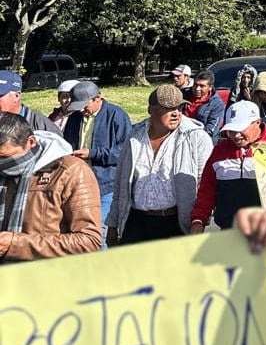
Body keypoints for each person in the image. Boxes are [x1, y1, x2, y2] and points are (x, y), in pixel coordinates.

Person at [107, 84, 213, 245]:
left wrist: (197, 224)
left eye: (179, 107)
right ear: (152, 110)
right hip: (136, 222)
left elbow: (205, 186)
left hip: (175, 223)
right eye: (168, 108)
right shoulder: (135, 137)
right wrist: (113, 224)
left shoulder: (196, 137)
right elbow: (121, 185)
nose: (176, 113)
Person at [0, 111, 102, 260]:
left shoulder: (70, 171)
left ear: (31, 142)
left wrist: (14, 244)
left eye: (4, 157)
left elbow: (90, 241)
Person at [190, 101, 266, 234]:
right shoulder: (219, 152)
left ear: (257, 123)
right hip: (229, 233)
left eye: (240, 129)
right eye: (230, 130)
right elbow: (207, 190)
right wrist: (198, 220)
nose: (235, 135)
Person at [62, 81, 131, 244]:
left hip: (106, 184)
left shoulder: (116, 115)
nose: (81, 110)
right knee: (78, 229)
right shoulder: (74, 118)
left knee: (100, 231)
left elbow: (124, 151)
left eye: (84, 105)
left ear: (97, 98)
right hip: (78, 182)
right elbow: (66, 143)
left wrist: (92, 154)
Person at [184, 69, 225, 139]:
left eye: (202, 86)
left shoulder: (217, 104)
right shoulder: (184, 95)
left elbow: (211, 129)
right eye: (195, 85)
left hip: (202, 142)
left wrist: (192, 138)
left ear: (210, 87)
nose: (197, 89)